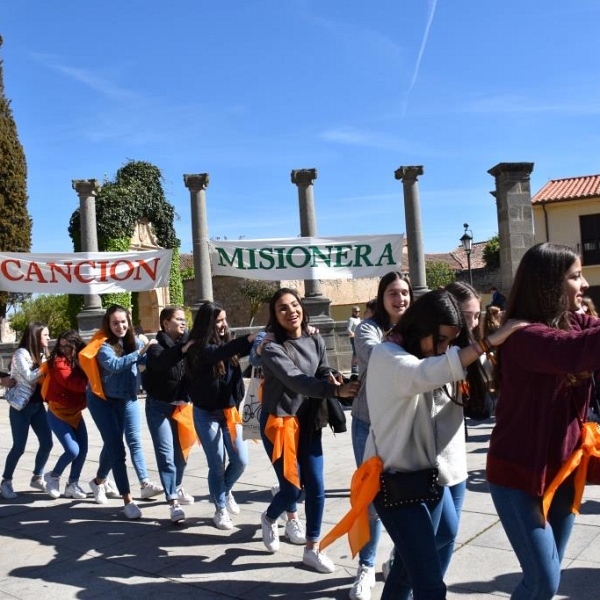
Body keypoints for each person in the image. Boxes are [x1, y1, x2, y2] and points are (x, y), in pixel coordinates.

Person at [363, 290, 523, 599]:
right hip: (394, 485)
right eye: (441, 340)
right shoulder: (388, 355)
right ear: (422, 326)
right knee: (431, 585)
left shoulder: (420, 354)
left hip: (425, 480)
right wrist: (487, 342)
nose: (444, 349)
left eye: (449, 342)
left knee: (432, 547)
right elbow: (422, 374)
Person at [486, 242, 600, 599]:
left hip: (562, 472)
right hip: (517, 475)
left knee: (544, 580)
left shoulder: (575, 322)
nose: (583, 285)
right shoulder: (524, 337)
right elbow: (573, 352)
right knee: (544, 580)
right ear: (549, 284)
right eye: (574, 276)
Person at [259, 288, 360, 573]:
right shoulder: (271, 347)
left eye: (294, 305)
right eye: (282, 308)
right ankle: (269, 517)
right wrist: (335, 390)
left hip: (310, 420)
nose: (291, 311)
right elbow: (296, 380)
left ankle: (312, 549)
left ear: (302, 307)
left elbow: (321, 368)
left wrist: (332, 376)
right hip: (280, 422)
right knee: (292, 488)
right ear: (275, 316)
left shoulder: (315, 336)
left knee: (315, 485)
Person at [348, 271, 413, 600]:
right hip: (368, 423)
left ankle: (395, 561)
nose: (400, 298)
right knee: (371, 499)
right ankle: (365, 567)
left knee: (406, 498)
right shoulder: (368, 328)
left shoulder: (417, 328)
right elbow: (377, 358)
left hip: (404, 425)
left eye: (404, 292)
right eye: (392, 293)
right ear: (382, 296)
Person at [185, 301, 257, 530]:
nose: (224, 325)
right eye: (219, 321)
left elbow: (241, 349)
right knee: (216, 464)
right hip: (206, 414)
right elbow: (219, 353)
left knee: (240, 461)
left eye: (225, 320)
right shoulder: (197, 347)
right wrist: (247, 339)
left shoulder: (229, 344)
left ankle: (224, 492)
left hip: (230, 413)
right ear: (207, 324)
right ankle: (220, 509)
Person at [83, 304, 159, 519]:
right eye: (115, 323)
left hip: (126, 398)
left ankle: (99, 482)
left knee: (125, 441)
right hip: (102, 401)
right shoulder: (102, 345)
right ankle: (128, 500)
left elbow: (143, 361)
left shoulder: (133, 341)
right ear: (108, 324)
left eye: (123, 321)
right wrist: (140, 351)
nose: (120, 326)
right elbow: (115, 365)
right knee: (117, 449)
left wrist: (152, 350)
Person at [143, 306, 196, 524]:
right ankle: (172, 500)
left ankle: (176, 486)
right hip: (159, 407)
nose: (184, 323)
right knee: (166, 456)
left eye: (185, 320)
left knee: (181, 456)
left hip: (182, 407)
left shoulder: (188, 343)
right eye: (179, 319)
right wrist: (183, 349)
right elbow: (162, 362)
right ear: (165, 323)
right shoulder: (156, 346)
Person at [0, 322, 53, 499]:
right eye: (45, 335)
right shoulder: (21, 353)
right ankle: (6, 481)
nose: (48, 338)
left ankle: (37, 476)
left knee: (47, 443)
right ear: (36, 336)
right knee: (19, 447)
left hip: (38, 406)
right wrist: (47, 365)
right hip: (21, 407)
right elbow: (30, 377)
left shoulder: (43, 354)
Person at [43, 330, 89, 500]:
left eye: (67, 347)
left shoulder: (80, 360)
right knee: (72, 450)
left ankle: (72, 484)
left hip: (75, 412)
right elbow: (70, 381)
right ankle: (53, 476)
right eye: (61, 346)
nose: (63, 350)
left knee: (83, 450)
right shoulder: (57, 361)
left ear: (75, 346)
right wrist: (91, 383)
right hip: (58, 412)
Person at [347, 306, 362, 375]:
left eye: (359, 311)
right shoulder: (351, 319)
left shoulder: (359, 319)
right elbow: (348, 329)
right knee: (355, 353)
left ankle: (357, 366)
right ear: (353, 312)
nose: (357, 313)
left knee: (358, 352)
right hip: (353, 338)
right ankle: (354, 367)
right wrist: (353, 334)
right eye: (356, 311)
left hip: (359, 337)